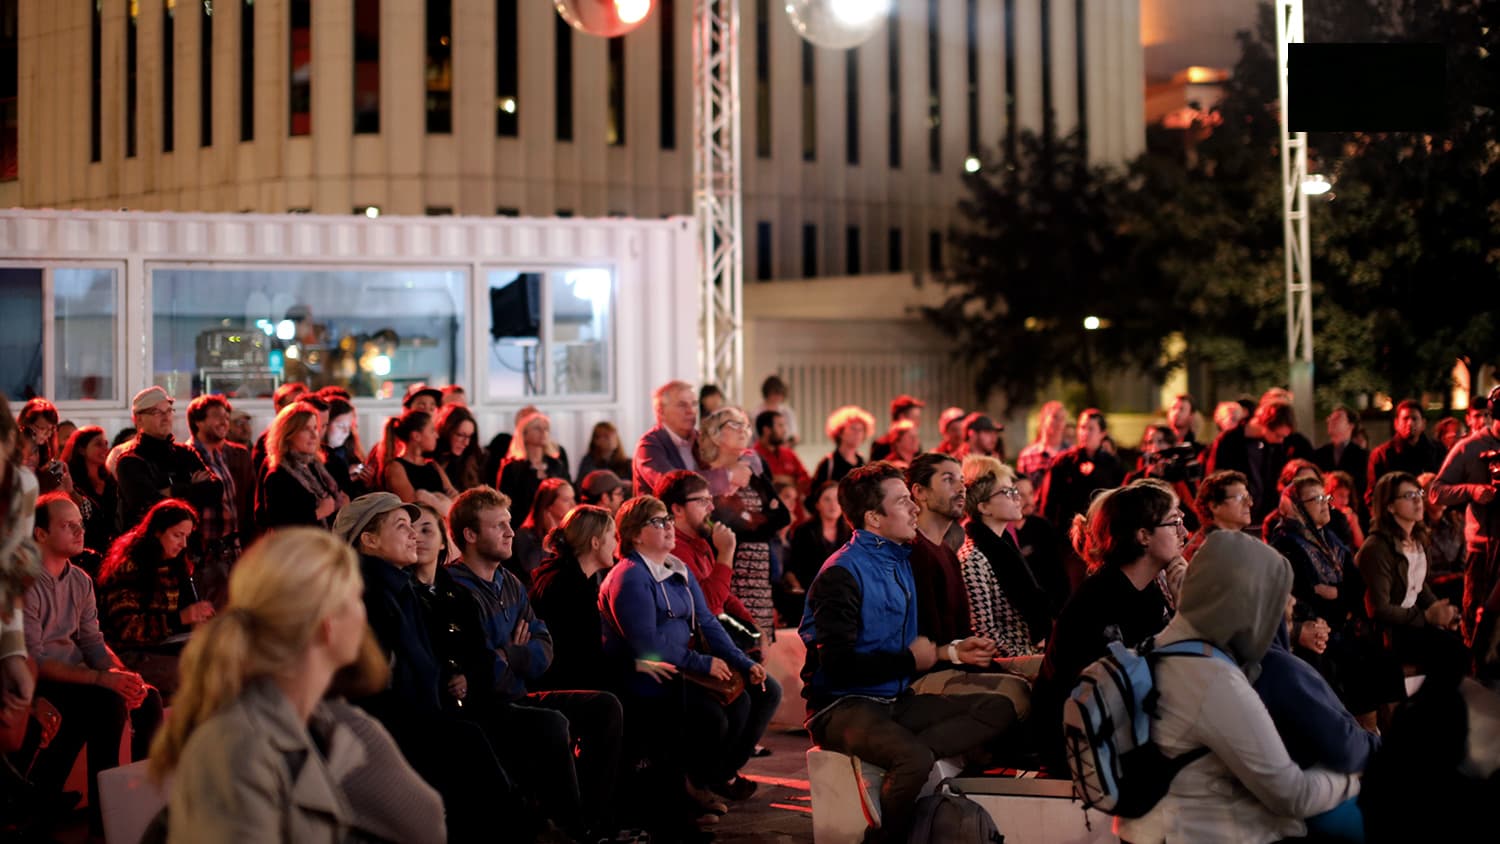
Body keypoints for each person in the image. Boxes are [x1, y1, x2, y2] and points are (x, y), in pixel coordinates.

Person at [147, 528, 444, 844]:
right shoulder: (236, 747)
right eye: (357, 598)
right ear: (326, 624)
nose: (364, 611)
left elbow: (427, 823)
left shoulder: (332, 722)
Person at [798, 463, 1017, 844]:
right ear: (873, 518)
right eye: (902, 501)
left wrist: (950, 652)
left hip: (892, 698)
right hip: (841, 706)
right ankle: (886, 838)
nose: (915, 507)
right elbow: (838, 667)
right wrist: (910, 661)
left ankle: (906, 759)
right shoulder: (842, 573)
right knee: (913, 759)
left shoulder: (899, 559)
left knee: (998, 708)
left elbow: (916, 649)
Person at [1116, 530, 1362, 844]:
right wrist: (1351, 780)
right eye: (1276, 595)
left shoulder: (1148, 652)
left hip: (1142, 831)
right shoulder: (1215, 676)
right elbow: (1291, 795)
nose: (1287, 603)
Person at [334, 492, 516, 844]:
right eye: (402, 526)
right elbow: (377, 687)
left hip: (420, 717)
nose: (413, 534)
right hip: (389, 730)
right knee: (469, 745)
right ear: (368, 540)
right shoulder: (366, 594)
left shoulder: (401, 589)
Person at [447, 486, 627, 842]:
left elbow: (545, 649)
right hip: (486, 706)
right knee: (552, 723)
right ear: (469, 535)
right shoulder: (455, 588)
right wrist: (510, 656)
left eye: (510, 524)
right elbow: (479, 667)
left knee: (606, 706)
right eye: (498, 525)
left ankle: (594, 818)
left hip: (520, 691)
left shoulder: (510, 582)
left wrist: (511, 654)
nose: (511, 532)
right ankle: (572, 829)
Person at [600, 495, 777, 827]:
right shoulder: (631, 576)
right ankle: (687, 792)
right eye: (658, 521)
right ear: (636, 534)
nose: (669, 526)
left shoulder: (675, 568)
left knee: (747, 698)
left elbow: (708, 622)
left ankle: (705, 779)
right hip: (646, 671)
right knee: (713, 718)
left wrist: (741, 661)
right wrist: (701, 663)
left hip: (683, 665)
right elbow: (646, 644)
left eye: (668, 518)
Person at [23, 492, 165, 834]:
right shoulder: (24, 583)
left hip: (77, 674)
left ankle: (145, 803)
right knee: (107, 701)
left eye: (80, 524)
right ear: (40, 534)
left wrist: (121, 676)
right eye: (67, 526)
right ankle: (107, 821)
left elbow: (92, 642)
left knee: (147, 698)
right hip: (41, 678)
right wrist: (103, 680)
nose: (79, 531)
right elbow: (34, 659)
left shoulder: (79, 580)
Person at [1031, 480, 1181, 769]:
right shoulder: (1100, 599)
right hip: (1080, 741)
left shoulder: (1148, 589)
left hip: (1122, 723)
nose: (1184, 533)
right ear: (1143, 536)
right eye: (1174, 523)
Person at [1269, 476, 1404, 727]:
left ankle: (1394, 735)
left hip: (1346, 624)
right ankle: (1369, 741)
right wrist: (1338, 597)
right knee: (1356, 669)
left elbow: (1357, 585)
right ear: (1296, 507)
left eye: (1326, 497)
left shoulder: (1330, 538)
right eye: (1316, 499)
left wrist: (1337, 594)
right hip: (1320, 631)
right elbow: (1304, 596)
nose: (1325, 504)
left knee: (1387, 662)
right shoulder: (1286, 542)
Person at [96, 499, 214, 698]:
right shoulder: (130, 567)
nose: (183, 544)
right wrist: (180, 618)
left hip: (165, 646)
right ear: (158, 532)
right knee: (191, 673)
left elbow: (188, 612)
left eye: (186, 536)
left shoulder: (176, 566)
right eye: (177, 535)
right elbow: (127, 629)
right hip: (131, 653)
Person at [1357, 472, 1468, 676]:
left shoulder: (1418, 539)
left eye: (1419, 493)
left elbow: (1419, 584)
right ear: (1390, 507)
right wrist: (1426, 617)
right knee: (1452, 654)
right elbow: (1379, 610)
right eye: (1409, 496)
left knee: (1458, 647)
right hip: (1389, 630)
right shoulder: (1377, 547)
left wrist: (1439, 610)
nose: (1418, 500)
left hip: (1410, 621)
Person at [697, 407, 791, 637]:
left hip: (760, 576)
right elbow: (722, 524)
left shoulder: (755, 468)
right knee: (733, 647)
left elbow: (783, 515)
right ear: (715, 434)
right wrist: (761, 519)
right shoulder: (709, 476)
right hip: (730, 572)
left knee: (760, 651)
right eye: (734, 425)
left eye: (745, 425)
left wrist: (747, 520)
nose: (743, 431)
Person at [958, 459, 1051, 665]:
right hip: (1006, 660)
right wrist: (1025, 657)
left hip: (1027, 650)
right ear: (983, 507)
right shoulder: (973, 558)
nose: (1017, 498)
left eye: (1015, 491)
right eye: (1008, 493)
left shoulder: (1005, 545)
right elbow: (984, 632)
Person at [1430, 384, 1500, 642]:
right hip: (1482, 547)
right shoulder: (1469, 447)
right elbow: (1435, 492)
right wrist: (1472, 490)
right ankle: (1473, 668)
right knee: (1475, 615)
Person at [530, 504, 624, 692]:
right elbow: (581, 656)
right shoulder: (567, 585)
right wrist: (634, 666)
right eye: (613, 536)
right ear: (595, 542)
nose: (617, 543)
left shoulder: (575, 577)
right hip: (564, 688)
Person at [114, 386, 223, 534]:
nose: (166, 417)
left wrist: (172, 491)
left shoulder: (185, 453)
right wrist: (192, 489)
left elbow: (215, 490)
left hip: (186, 548)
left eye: (168, 411)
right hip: (148, 549)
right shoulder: (130, 461)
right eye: (156, 412)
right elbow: (148, 505)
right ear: (138, 419)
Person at [659, 470, 755, 637]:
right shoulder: (672, 549)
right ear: (678, 509)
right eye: (703, 501)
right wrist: (726, 553)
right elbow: (708, 605)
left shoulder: (700, 541)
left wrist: (753, 626)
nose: (712, 507)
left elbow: (725, 595)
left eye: (710, 500)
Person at [184, 395, 251, 607]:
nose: (224, 422)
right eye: (216, 417)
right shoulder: (188, 456)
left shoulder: (221, 455)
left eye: (226, 416)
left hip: (231, 551)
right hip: (206, 555)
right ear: (198, 422)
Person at [1205, 398, 1313, 523]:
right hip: (1234, 517)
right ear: (1265, 425)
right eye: (1278, 435)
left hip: (1263, 518)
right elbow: (1214, 480)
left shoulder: (1273, 446)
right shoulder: (1228, 441)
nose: (1281, 441)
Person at [256, 401, 347, 532]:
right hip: (298, 549)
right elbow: (277, 524)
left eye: (315, 428)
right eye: (305, 429)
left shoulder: (316, 466)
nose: (314, 435)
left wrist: (341, 506)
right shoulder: (278, 475)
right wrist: (318, 513)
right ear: (288, 434)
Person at [1038, 408, 1125, 530]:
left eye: (1091, 429)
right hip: (1068, 530)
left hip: (1101, 529)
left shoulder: (1112, 463)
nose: (1085, 433)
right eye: (1082, 427)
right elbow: (1048, 502)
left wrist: (1095, 473)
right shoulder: (1064, 461)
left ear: (1102, 433)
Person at [780, 481, 851, 623]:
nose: (833, 505)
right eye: (827, 499)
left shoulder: (851, 533)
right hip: (811, 598)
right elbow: (794, 567)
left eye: (837, 499)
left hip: (844, 599)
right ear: (817, 504)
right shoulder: (803, 531)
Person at [376, 408, 459, 513]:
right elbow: (413, 507)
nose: (436, 436)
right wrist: (440, 501)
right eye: (432, 431)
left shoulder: (433, 465)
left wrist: (429, 500)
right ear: (416, 436)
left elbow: (454, 498)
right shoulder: (396, 468)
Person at [1368, 400, 1445, 506]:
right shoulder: (1382, 454)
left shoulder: (1438, 450)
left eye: (1414, 419)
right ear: (1396, 423)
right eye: (1405, 419)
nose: (1410, 423)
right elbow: (1373, 494)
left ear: (1423, 423)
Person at [61, 425, 119, 559]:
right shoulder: (71, 480)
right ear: (81, 449)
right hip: (82, 548)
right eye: (98, 444)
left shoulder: (109, 480)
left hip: (109, 549)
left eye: (106, 444)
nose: (106, 449)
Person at [497, 409, 567, 518]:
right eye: (537, 428)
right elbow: (504, 503)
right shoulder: (512, 468)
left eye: (546, 429)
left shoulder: (557, 465)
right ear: (524, 434)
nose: (543, 432)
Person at [508, 477, 574, 584]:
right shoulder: (524, 534)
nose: (573, 505)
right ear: (549, 504)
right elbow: (533, 566)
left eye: (573, 498)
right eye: (566, 500)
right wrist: (550, 535)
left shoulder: (569, 533)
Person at [1185, 469, 1253, 560]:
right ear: (1214, 506)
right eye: (1239, 498)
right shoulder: (1203, 552)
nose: (1249, 503)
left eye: (1248, 497)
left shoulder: (1231, 543)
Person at [1314, 405, 1370, 508]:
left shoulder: (1362, 456)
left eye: (1338, 418)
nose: (1331, 421)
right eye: (1330, 418)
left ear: (1351, 425)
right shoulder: (1319, 454)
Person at [251, 382, 309, 479]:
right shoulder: (266, 440)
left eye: (302, 404)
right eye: (292, 405)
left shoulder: (311, 435)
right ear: (278, 408)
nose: (299, 410)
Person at [811, 405, 876, 488]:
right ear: (840, 432)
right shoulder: (828, 463)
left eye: (861, 430)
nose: (858, 433)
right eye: (853, 428)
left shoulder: (863, 462)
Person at [753, 409, 811, 501]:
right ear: (766, 430)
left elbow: (806, 481)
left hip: (793, 510)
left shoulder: (789, 453)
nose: (785, 430)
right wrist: (782, 480)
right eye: (780, 426)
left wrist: (781, 481)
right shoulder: (752, 456)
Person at [321, 397, 371, 501]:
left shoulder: (348, 452)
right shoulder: (319, 458)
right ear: (324, 424)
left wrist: (367, 481)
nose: (346, 432)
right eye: (340, 426)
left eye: (349, 427)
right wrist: (345, 477)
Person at [432, 403, 487, 492]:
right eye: (460, 435)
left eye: (470, 436)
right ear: (447, 431)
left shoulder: (473, 458)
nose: (466, 443)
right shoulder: (431, 460)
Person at [1016, 400, 1069, 485]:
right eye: (1055, 417)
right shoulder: (1027, 456)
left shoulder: (1071, 454)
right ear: (1043, 419)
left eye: (1062, 418)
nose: (1059, 423)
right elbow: (1022, 488)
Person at [575, 420, 634, 486]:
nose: (611, 439)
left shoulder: (627, 463)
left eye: (613, 435)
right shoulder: (588, 462)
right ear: (596, 440)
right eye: (606, 436)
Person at [870, 395, 924, 462]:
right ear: (902, 417)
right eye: (915, 417)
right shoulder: (881, 445)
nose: (918, 422)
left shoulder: (915, 444)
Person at [751, 374, 799, 448]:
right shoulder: (756, 413)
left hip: (784, 449)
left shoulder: (787, 412)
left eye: (780, 393)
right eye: (775, 393)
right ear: (767, 393)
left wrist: (785, 446)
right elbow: (753, 438)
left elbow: (795, 436)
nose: (778, 397)